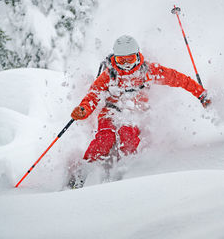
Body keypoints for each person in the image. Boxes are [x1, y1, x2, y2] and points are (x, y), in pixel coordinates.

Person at [68, 35, 210, 188]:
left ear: (137, 55)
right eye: (121, 60)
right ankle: (82, 173)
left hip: (134, 113)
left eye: (129, 59)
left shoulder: (147, 71)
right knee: (105, 137)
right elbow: (94, 94)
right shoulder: (109, 74)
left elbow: (178, 79)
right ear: (114, 59)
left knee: (127, 135)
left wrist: (200, 93)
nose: (126, 65)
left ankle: (126, 175)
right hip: (111, 111)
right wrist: (83, 109)